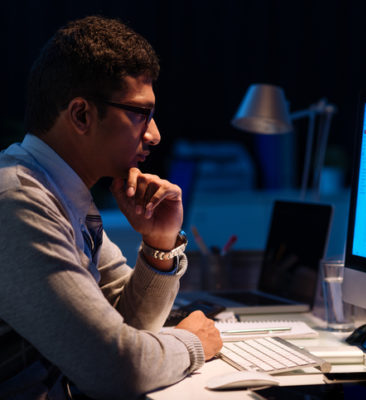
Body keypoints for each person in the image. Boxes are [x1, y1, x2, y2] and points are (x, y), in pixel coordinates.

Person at [0, 15, 222, 399]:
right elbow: (116, 368)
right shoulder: (20, 202)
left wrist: (160, 244)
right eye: (140, 114)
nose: (154, 134)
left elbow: (128, 324)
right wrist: (192, 344)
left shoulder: (62, 193)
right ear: (82, 115)